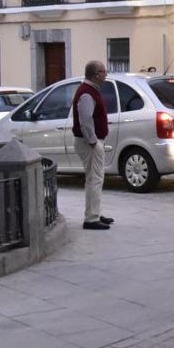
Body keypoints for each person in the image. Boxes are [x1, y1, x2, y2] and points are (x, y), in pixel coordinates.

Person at [72, 60, 113, 230]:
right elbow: (85, 119)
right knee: (95, 179)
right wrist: (93, 141)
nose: (106, 74)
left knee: (94, 179)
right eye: (103, 71)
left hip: (90, 141)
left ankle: (95, 213)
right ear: (96, 74)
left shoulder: (91, 91)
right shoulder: (87, 93)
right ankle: (91, 218)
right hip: (88, 142)